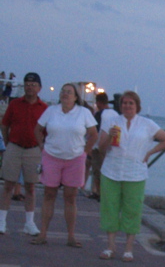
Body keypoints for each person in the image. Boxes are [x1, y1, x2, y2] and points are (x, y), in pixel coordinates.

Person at [98, 90, 165, 261]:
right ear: (120, 105)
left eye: (131, 103)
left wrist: (150, 152)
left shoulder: (147, 124)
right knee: (110, 208)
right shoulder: (111, 122)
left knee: (132, 210)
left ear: (137, 106)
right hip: (111, 171)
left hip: (135, 173)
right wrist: (110, 137)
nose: (127, 106)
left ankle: (128, 249)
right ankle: (110, 246)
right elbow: (101, 148)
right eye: (124, 103)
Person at [32, 83, 98, 246]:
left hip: (75, 159)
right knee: (49, 195)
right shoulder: (51, 111)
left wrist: (85, 152)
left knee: (70, 197)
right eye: (63, 91)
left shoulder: (83, 113)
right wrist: (42, 147)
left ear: (76, 97)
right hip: (51, 157)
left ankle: (71, 236)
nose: (65, 94)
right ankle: (43, 234)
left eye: (69, 92)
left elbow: (93, 134)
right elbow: (37, 129)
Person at [0, 72, 48, 236]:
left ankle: (29, 223)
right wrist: (8, 142)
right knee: (8, 185)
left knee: (31, 187)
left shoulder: (44, 108)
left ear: (39, 88)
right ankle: (2, 221)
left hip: (33, 149)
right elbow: (5, 125)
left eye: (33, 85)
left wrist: (42, 147)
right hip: (14, 147)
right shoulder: (15, 104)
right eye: (27, 84)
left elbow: (46, 131)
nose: (30, 87)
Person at [89, 92, 118, 201]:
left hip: (98, 146)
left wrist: (90, 146)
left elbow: (94, 131)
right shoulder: (115, 114)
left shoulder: (99, 114)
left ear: (98, 102)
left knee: (97, 171)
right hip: (111, 147)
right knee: (107, 172)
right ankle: (107, 193)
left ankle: (98, 193)